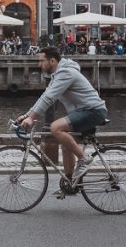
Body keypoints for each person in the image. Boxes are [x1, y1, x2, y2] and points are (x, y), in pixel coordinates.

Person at [18, 48, 108, 195]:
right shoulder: (57, 75)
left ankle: (84, 159)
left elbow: (49, 98)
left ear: (52, 61)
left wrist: (32, 118)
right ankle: (70, 183)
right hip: (83, 111)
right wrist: (27, 115)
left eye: (42, 60)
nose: (39, 64)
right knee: (66, 144)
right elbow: (45, 95)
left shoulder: (66, 73)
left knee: (55, 128)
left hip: (93, 111)